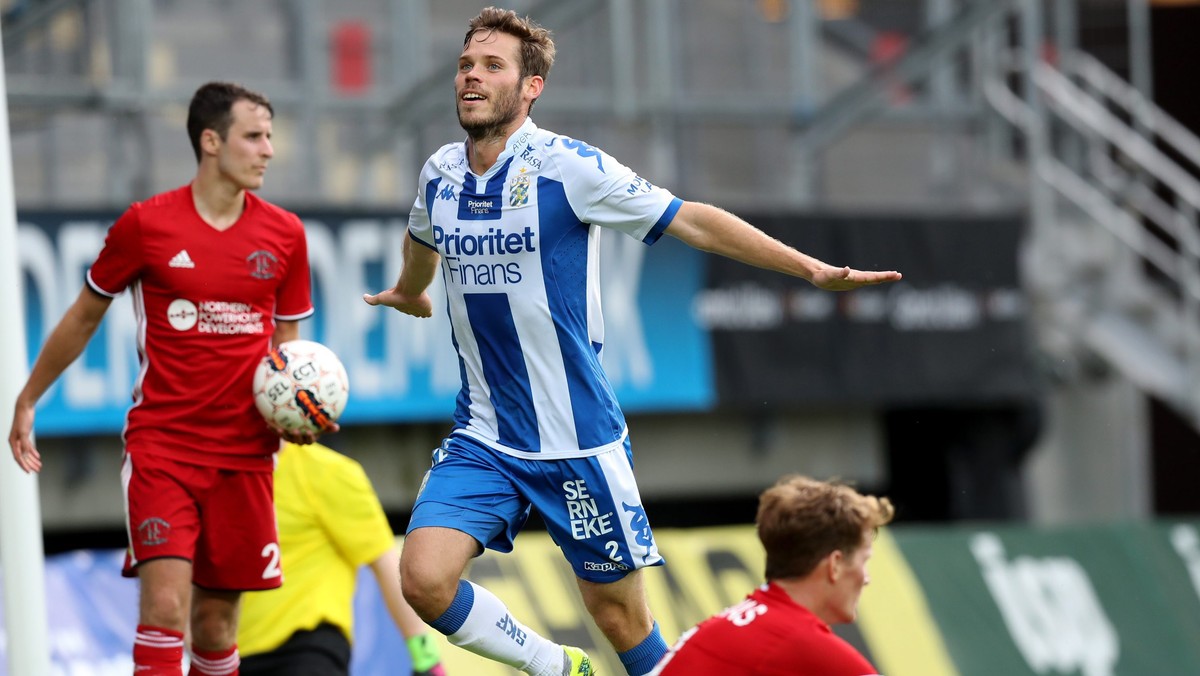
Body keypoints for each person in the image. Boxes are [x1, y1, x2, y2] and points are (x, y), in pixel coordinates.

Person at [362, 7, 902, 676]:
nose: (472, 76)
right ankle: (559, 669)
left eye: (492, 66)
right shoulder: (440, 173)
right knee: (423, 579)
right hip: (487, 436)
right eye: (466, 64)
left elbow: (692, 221)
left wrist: (809, 268)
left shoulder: (568, 169)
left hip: (579, 440)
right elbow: (423, 239)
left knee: (620, 617)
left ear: (530, 88)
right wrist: (412, 290)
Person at [8, 81, 334, 676]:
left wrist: (300, 414)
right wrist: (28, 398)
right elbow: (84, 316)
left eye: (270, 137)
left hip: (246, 456)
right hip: (165, 448)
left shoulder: (285, 234)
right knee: (164, 607)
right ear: (211, 141)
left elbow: (289, 353)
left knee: (215, 626)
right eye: (254, 136)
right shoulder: (146, 226)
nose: (267, 150)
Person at [650, 475, 895, 675]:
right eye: (864, 561)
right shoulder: (808, 647)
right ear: (835, 565)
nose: (866, 578)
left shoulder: (722, 628)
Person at [238, 441, 446, 676]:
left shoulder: (326, 472)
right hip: (233, 655)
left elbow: (386, 564)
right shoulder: (223, 475)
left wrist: (425, 657)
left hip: (306, 650)